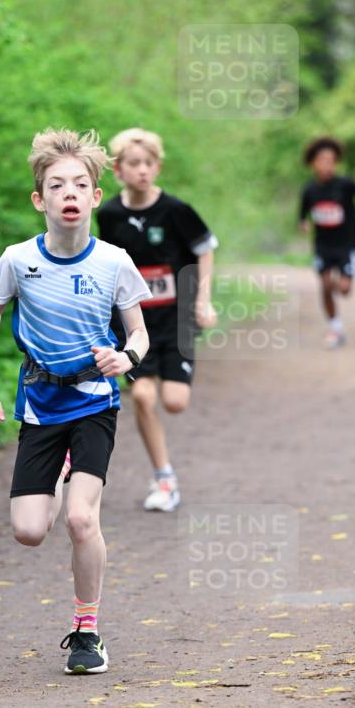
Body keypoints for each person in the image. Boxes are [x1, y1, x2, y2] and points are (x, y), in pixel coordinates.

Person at [0, 129, 150, 675]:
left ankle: (86, 631)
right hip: (39, 406)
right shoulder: (18, 260)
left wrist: (128, 358)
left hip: (95, 403)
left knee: (79, 519)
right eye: (56, 184)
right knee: (29, 530)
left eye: (80, 183)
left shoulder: (115, 262)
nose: (68, 192)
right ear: (40, 199)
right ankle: (57, 469)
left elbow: (139, 334)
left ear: (96, 196)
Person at [97, 129, 217, 513]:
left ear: (158, 166)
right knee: (145, 397)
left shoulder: (176, 210)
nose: (143, 171)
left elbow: (205, 249)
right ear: (118, 169)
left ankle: (165, 476)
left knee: (175, 401)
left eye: (149, 164)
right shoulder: (111, 215)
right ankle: (164, 478)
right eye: (134, 164)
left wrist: (203, 299)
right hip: (135, 326)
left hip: (177, 320)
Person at [298, 136, 355, 349]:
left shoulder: (345, 185)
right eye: (322, 160)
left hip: (347, 245)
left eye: (331, 161)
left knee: (344, 289)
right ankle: (335, 328)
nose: (327, 165)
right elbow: (302, 213)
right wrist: (303, 223)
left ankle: (343, 284)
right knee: (325, 284)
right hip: (323, 246)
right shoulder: (309, 190)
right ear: (313, 163)